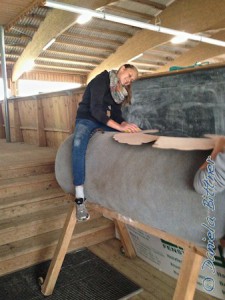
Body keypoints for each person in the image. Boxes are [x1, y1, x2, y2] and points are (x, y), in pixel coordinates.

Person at [72, 64, 141, 221]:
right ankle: (79, 196)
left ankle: (121, 187)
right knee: (77, 144)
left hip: (102, 121)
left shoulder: (118, 91)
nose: (129, 81)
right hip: (87, 118)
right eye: (129, 75)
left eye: (132, 80)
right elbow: (95, 110)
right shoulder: (101, 80)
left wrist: (125, 125)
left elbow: (116, 116)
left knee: (125, 138)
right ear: (122, 68)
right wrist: (118, 127)